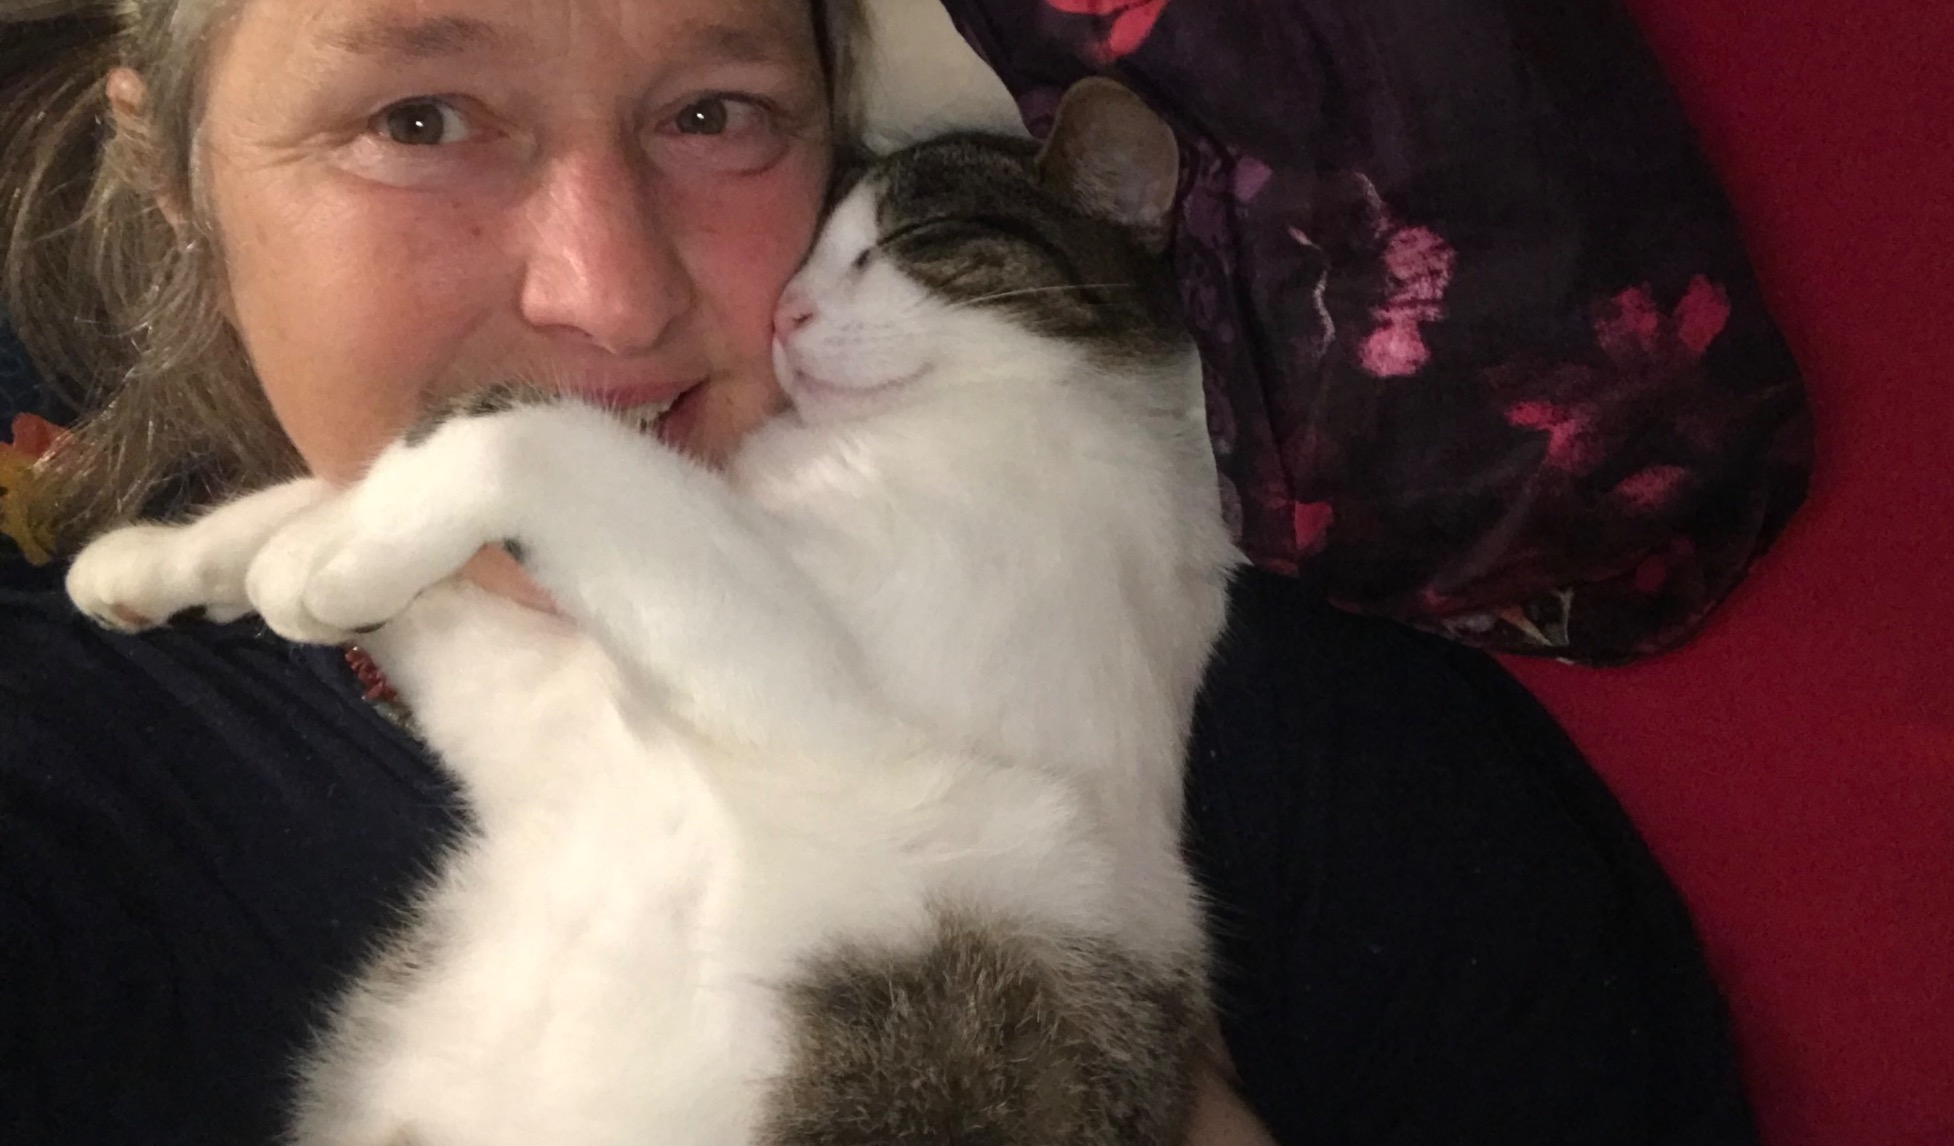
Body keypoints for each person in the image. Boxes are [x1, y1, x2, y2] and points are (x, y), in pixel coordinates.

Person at [0, 1, 1756, 1144]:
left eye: (714, 110)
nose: (609, 293)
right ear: (172, 173)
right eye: (420, 115)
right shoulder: (78, 793)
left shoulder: (1317, 757)